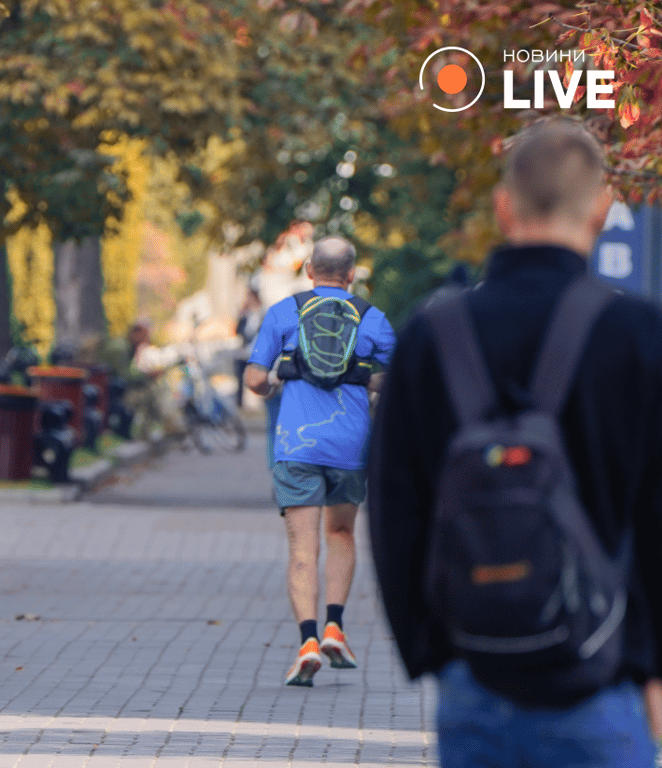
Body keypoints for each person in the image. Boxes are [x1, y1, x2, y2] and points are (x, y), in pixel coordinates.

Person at [369, 119, 662, 765]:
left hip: (474, 676)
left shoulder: (429, 335)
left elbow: (394, 506)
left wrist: (432, 652)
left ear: (504, 207)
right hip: (604, 679)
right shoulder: (638, 336)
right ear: (604, 211)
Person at [243, 236, 396, 686]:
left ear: (310, 270)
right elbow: (400, 378)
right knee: (342, 532)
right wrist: (365, 378)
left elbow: (254, 377)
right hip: (350, 446)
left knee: (302, 548)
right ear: (351, 274)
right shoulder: (374, 320)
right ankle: (335, 627)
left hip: (296, 446)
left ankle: (307, 641)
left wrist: (271, 385)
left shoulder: (283, 313)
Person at [234, 287, 264, 408]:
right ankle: (240, 403)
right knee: (240, 375)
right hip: (244, 351)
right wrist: (241, 315)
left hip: (257, 351)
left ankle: (257, 403)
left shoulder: (263, 313)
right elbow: (238, 331)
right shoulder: (246, 315)